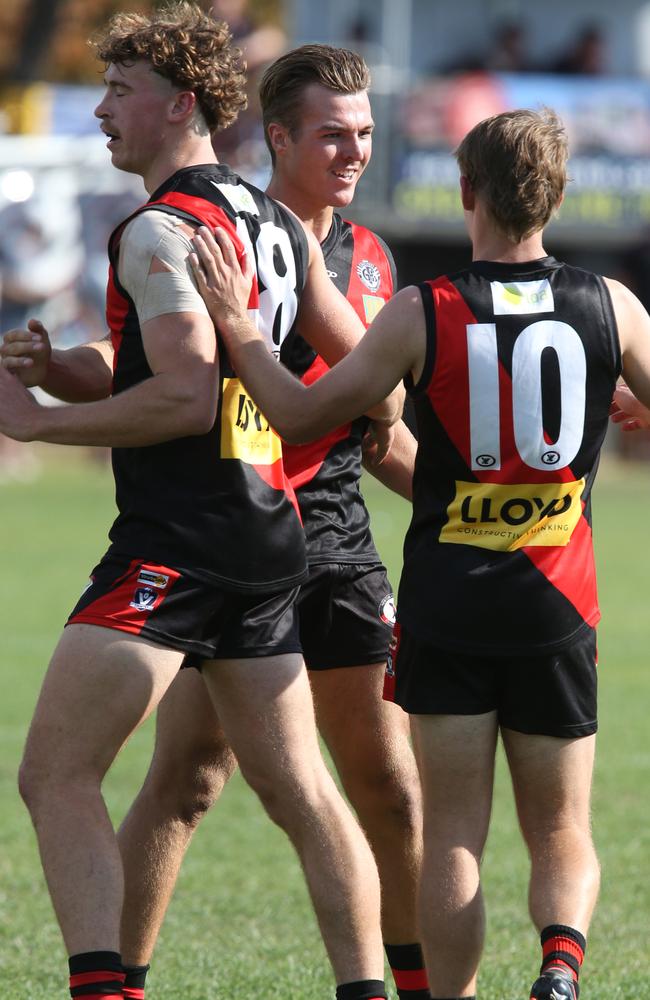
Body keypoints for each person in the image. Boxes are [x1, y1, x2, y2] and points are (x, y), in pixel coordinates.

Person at [188, 107, 650, 1000]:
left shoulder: (421, 312)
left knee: (451, 836)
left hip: (449, 606)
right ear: (556, 195)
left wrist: (241, 331)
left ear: (466, 193)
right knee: (561, 829)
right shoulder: (611, 305)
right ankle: (561, 965)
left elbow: (300, 415)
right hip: (558, 600)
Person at [0, 6, 402, 999]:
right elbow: (377, 384)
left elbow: (180, 395)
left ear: (180, 106)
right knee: (303, 795)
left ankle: (103, 988)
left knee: (54, 775)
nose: (100, 112)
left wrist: (31, 422)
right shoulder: (274, 224)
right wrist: (63, 371)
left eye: (119, 93)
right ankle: (364, 988)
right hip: (271, 539)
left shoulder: (161, 228)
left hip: (175, 546)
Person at [113, 44, 425, 1000]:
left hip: (337, 542)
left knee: (390, 786)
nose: (354, 152)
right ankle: (117, 980)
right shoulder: (234, 234)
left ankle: (410, 985)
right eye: (333, 134)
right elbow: (159, 352)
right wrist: (63, 369)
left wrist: (472, 503)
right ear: (276, 136)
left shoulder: (369, 257)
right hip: (246, 532)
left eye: (365, 134)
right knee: (190, 779)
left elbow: (391, 422)